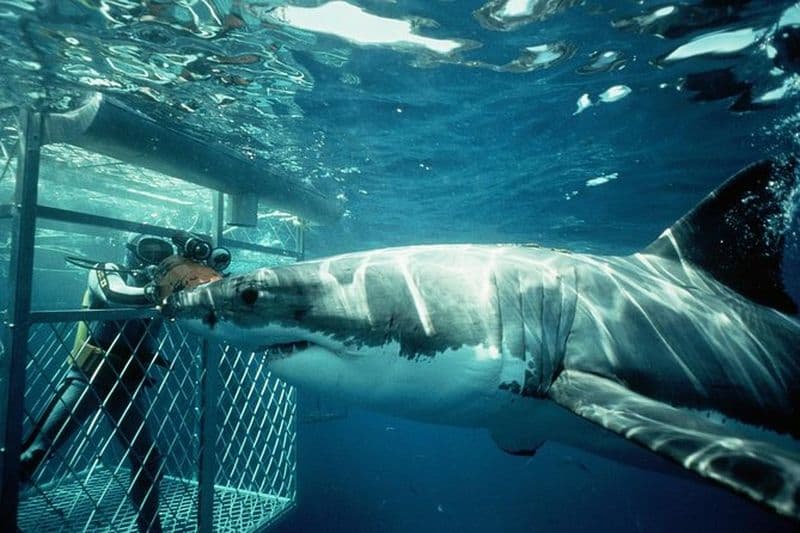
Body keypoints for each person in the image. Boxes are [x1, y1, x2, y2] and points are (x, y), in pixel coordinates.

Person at [19, 233, 225, 533]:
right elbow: (116, 294)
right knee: (36, 452)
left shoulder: (167, 284)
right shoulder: (105, 270)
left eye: (160, 252)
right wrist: (162, 290)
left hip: (127, 384)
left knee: (148, 460)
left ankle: (150, 528)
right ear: (129, 251)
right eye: (145, 249)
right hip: (88, 377)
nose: (152, 257)